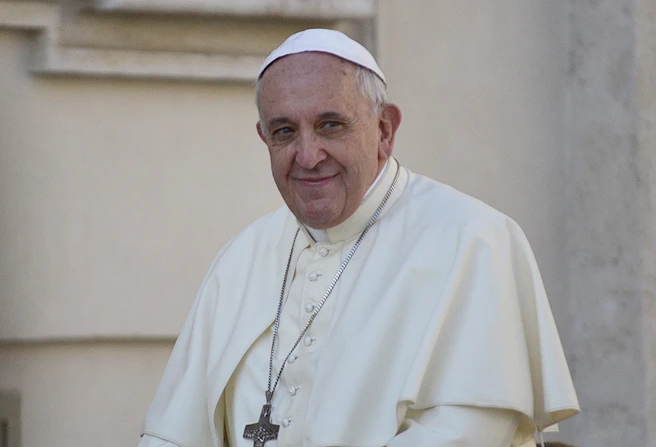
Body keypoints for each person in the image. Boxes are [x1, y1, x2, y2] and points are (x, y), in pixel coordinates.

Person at [138, 28, 579, 447]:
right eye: (284, 131)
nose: (308, 156)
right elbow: (174, 432)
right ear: (264, 138)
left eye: (331, 125)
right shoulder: (242, 257)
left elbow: (467, 432)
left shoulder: (473, 239)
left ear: (385, 130)